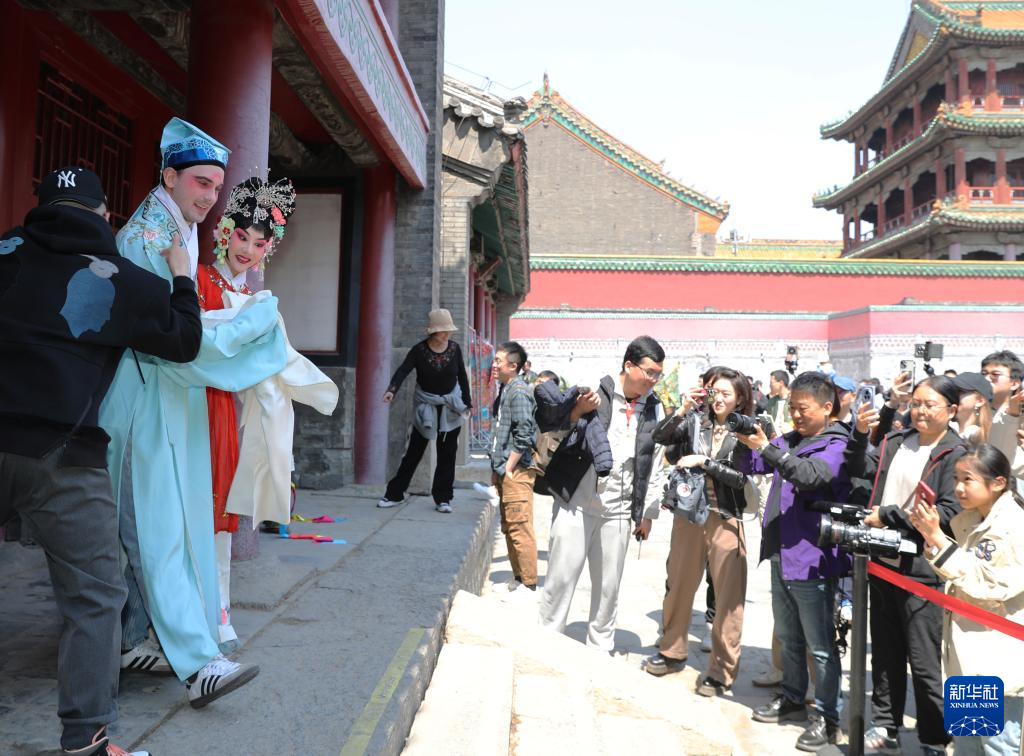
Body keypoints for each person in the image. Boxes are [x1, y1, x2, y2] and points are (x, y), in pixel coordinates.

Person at [0, 166, 203, 756]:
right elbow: (184, 341)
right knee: (94, 599)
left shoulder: (5, 253)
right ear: (103, 215)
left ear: (41, 207)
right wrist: (182, 276)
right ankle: (86, 743)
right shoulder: (124, 280)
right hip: (64, 455)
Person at [102, 117, 285, 707]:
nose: (209, 197)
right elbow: (170, 337)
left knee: (162, 529)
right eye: (200, 183)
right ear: (169, 176)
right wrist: (247, 332)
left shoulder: (175, 227)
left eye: (215, 187)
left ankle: (131, 640)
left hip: (167, 395)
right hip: (142, 396)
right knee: (156, 532)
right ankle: (199, 662)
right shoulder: (147, 239)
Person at [197, 176, 297, 647]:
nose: (248, 249)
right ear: (224, 231)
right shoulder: (197, 280)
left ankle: (217, 613)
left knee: (221, 502)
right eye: (242, 236)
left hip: (229, 410)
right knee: (190, 502)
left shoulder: (260, 302)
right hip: (194, 399)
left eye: (259, 243)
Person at [847, 375, 966, 756]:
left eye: (930, 404)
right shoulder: (896, 441)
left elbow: (948, 511)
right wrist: (861, 433)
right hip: (883, 562)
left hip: (924, 572)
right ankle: (886, 725)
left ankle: (934, 737)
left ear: (952, 410)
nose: (921, 411)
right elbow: (861, 473)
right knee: (885, 653)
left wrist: (889, 516)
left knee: (925, 659)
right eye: (916, 403)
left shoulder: (956, 454)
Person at [738, 372, 852, 752]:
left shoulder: (837, 445)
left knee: (820, 645)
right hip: (782, 553)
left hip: (813, 558)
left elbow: (809, 475)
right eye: (792, 408)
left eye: (803, 409)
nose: (796, 415)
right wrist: (741, 436)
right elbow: (753, 464)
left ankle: (828, 718)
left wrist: (769, 449)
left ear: (827, 407)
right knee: (788, 636)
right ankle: (791, 698)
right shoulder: (789, 440)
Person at [538, 336, 667, 653]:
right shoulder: (595, 389)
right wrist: (577, 411)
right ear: (629, 365)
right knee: (560, 579)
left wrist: (648, 513)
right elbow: (553, 430)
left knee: (609, 587)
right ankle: (546, 644)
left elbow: (655, 463)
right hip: (576, 503)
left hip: (619, 511)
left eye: (658, 375)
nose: (653, 380)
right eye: (649, 372)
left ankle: (600, 649)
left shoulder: (654, 407)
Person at [644, 368, 753, 699]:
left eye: (726, 394)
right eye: (715, 392)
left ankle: (721, 671)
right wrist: (681, 408)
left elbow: (740, 478)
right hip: (689, 514)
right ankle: (671, 651)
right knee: (678, 584)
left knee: (728, 598)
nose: (718, 399)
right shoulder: (695, 421)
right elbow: (659, 437)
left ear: (740, 399)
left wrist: (704, 462)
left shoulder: (747, 429)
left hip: (726, 517)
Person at [910, 444, 1024, 756]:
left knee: (997, 746)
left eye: (967, 480)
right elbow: (963, 572)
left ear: (998, 483)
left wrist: (937, 538)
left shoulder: (1011, 525)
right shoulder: (973, 519)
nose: (958, 488)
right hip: (969, 655)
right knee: (968, 743)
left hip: (995, 658)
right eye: (956, 479)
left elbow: (987, 585)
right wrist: (933, 538)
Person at [379, 308, 472, 513]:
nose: (446, 334)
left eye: (448, 330)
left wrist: (468, 402)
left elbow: (462, 376)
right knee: (414, 452)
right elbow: (403, 370)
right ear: (432, 331)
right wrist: (391, 390)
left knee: (447, 455)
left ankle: (443, 499)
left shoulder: (455, 349)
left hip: (450, 408)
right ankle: (394, 494)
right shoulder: (419, 350)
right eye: (442, 331)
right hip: (426, 407)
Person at [490, 341, 539, 598]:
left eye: (498, 361)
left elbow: (524, 433)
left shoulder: (518, 391)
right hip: (506, 470)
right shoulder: (506, 389)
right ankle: (519, 578)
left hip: (517, 470)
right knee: (510, 526)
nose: (494, 365)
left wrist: (508, 466)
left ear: (513, 365)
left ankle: (529, 584)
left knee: (520, 527)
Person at [981, 350, 1024, 473]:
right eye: (983, 374)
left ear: (1014, 383)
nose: (986, 379)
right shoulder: (974, 412)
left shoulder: (1019, 417)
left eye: (995, 375)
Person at [952, 372, 994, 447]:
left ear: (980, 401)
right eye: (953, 390)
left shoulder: (980, 439)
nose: (954, 395)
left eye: (961, 391)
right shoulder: (948, 430)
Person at [765, 369, 793, 434]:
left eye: (771, 383)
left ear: (781, 383)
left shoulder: (794, 400)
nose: (770, 385)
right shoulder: (771, 402)